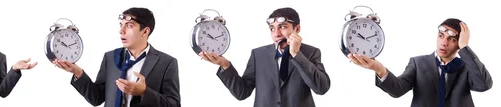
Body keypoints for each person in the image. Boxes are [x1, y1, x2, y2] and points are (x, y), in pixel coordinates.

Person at [199, 7, 331, 107]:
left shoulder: (311, 53)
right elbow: (242, 93)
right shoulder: (258, 55)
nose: (277, 33)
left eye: (282, 27)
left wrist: (297, 54)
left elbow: (321, 88)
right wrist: (225, 65)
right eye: (272, 28)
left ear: (297, 29)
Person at [348, 18, 493, 107]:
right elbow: (398, 89)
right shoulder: (418, 63)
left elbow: (484, 85)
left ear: (459, 43)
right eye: (441, 36)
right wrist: (379, 69)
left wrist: (465, 48)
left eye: (452, 39)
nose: (444, 42)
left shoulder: (466, 67)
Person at [53, 7, 180, 107]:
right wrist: (78, 72)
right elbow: (96, 98)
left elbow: (174, 105)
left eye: (129, 25)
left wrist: (144, 92)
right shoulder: (110, 57)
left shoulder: (167, 63)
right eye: (121, 25)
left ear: (145, 31)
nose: (121, 31)